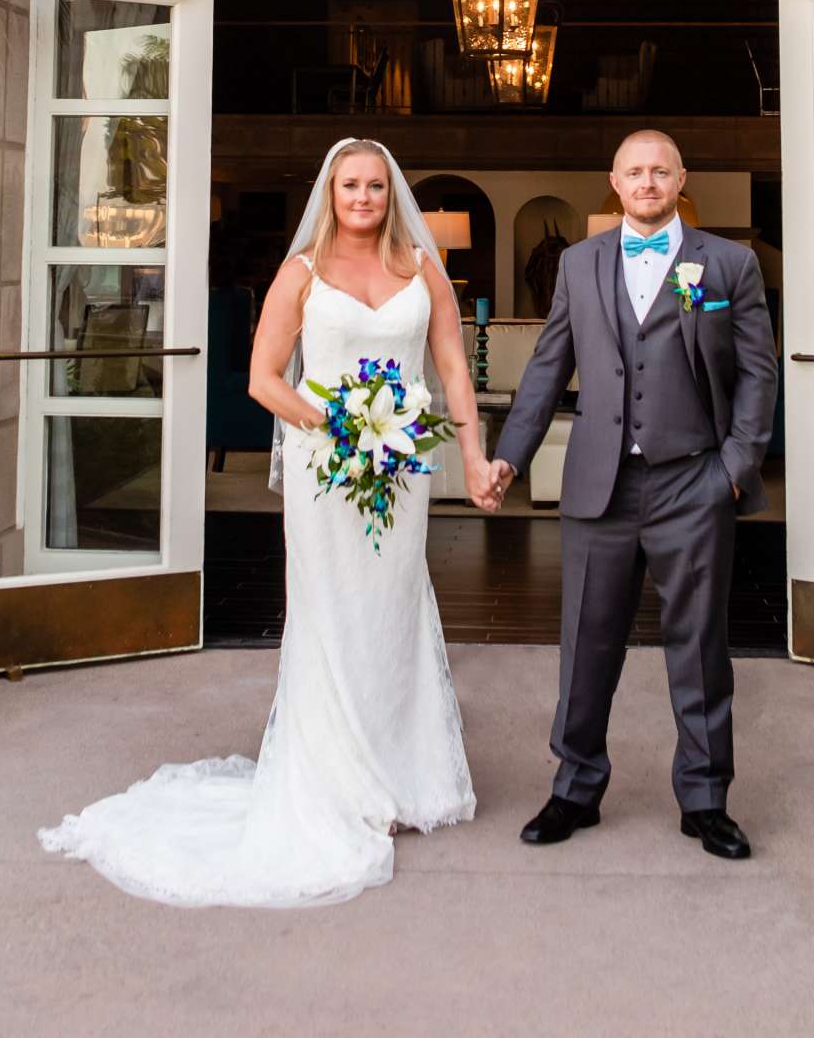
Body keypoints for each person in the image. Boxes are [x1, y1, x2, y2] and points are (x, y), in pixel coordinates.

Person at [39, 138, 492, 907]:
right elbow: (260, 379)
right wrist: (340, 425)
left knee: (394, 610)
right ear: (330, 191)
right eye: (350, 185)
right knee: (332, 610)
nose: (363, 198)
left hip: (401, 470)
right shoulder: (302, 272)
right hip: (329, 468)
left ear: (391, 193)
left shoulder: (423, 268)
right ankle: (339, 780)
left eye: (376, 186)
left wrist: (475, 462)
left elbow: (451, 367)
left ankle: (401, 769)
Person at [484, 130, 777, 860]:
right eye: (633, 171)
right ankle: (576, 787)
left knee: (701, 645)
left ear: (682, 178)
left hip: (693, 481)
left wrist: (733, 469)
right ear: (613, 182)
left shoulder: (728, 264)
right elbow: (549, 367)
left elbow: (757, 374)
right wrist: (508, 461)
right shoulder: (579, 265)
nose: (646, 182)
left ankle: (706, 799)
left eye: (660, 170)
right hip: (600, 483)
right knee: (587, 639)